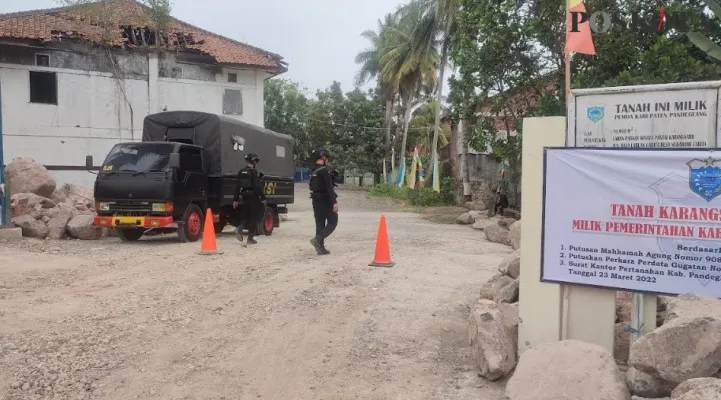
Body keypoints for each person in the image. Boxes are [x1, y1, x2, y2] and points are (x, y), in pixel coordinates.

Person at [309, 148, 338, 255]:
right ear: (324, 157)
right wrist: (334, 202)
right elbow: (329, 188)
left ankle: (320, 248)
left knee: (320, 223)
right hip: (326, 200)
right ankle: (318, 239)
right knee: (333, 222)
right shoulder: (324, 170)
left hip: (316, 200)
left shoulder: (313, 170)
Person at [233, 153, 265, 245]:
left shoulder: (241, 171)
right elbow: (257, 186)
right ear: (254, 162)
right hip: (253, 197)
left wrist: (235, 199)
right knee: (255, 217)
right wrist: (263, 197)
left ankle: (239, 228)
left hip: (244, 196)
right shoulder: (253, 172)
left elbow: (237, 186)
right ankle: (250, 238)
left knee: (247, 216)